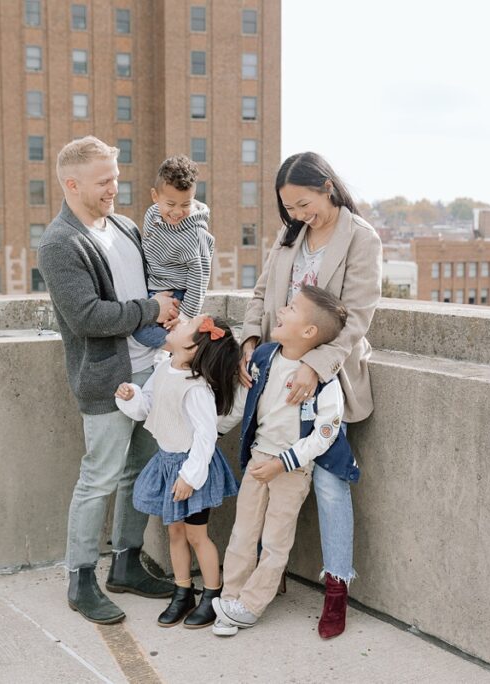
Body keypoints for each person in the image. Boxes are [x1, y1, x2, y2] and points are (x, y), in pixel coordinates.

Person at [239, 152, 382, 639]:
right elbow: (261, 296)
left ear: (327, 186)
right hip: (274, 377)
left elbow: (357, 318)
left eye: (304, 203)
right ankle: (264, 577)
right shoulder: (289, 236)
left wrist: (314, 368)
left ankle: (337, 587)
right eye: (290, 208)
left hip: (329, 381)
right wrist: (250, 342)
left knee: (327, 483)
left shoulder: (362, 239)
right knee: (263, 477)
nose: (299, 215)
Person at [38, 136, 180, 625]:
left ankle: (126, 564)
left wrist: (166, 308)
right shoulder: (61, 243)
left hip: (151, 369)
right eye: (104, 181)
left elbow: (151, 282)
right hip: (107, 379)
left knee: (138, 471)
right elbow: (87, 317)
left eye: (116, 178)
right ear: (72, 183)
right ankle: (80, 580)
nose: (114, 188)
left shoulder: (124, 226)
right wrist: (151, 308)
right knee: (98, 478)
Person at [213, 286, 355, 637]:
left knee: (276, 541)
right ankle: (230, 597)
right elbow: (241, 406)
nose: (280, 311)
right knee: (243, 533)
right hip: (259, 459)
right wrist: (208, 433)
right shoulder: (263, 357)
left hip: (291, 469)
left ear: (309, 332)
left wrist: (285, 463)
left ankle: (250, 605)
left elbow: (325, 434)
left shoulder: (325, 382)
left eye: (290, 308)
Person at [115, 314, 243, 628]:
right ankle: (182, 590)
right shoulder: (163, 367)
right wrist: (132, 396)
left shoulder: (196, 388)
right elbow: (148, 405)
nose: (176, 323)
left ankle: (212, 595)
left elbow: (205, 435)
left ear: (190, 348)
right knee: (174, 532)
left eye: (185, 325)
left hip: (191, 467)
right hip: (167, 462)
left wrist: (189, 476)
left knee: (196, 535)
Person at [131, 155, 215, 349]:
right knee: (134, 320)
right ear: (155, 196)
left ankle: (186, 348)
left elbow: (199, 280)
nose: (177, 212)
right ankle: (176, 350)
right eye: (170, 204)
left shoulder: (196, 234)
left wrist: (185, 317)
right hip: (152, 289)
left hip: (177, 295)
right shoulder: (152, 215)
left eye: (185, 204)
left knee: (139, 329)